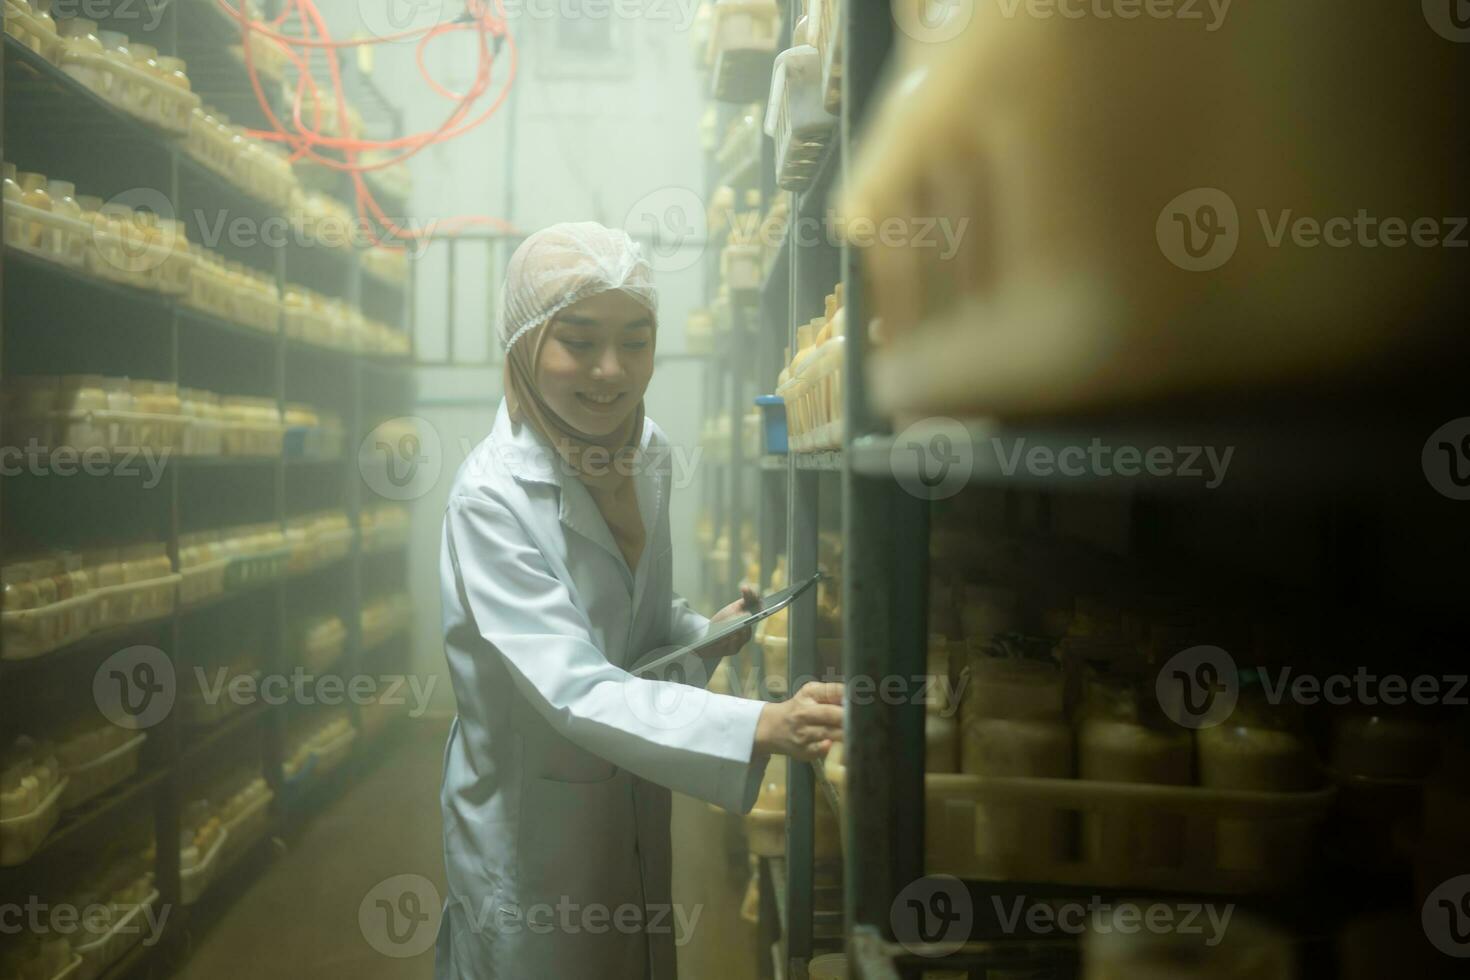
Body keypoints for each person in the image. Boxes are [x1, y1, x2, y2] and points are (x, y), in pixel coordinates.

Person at [435, 222, 845, 979]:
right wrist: (758, 723)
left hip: (625, 798)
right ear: (524, 345)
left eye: (638, 339)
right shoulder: (490, 499)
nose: (611, 371)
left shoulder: (642, 450)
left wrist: (703, 635)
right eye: (579, 340)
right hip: (535, 831)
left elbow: (632, 626)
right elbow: (575, 688)